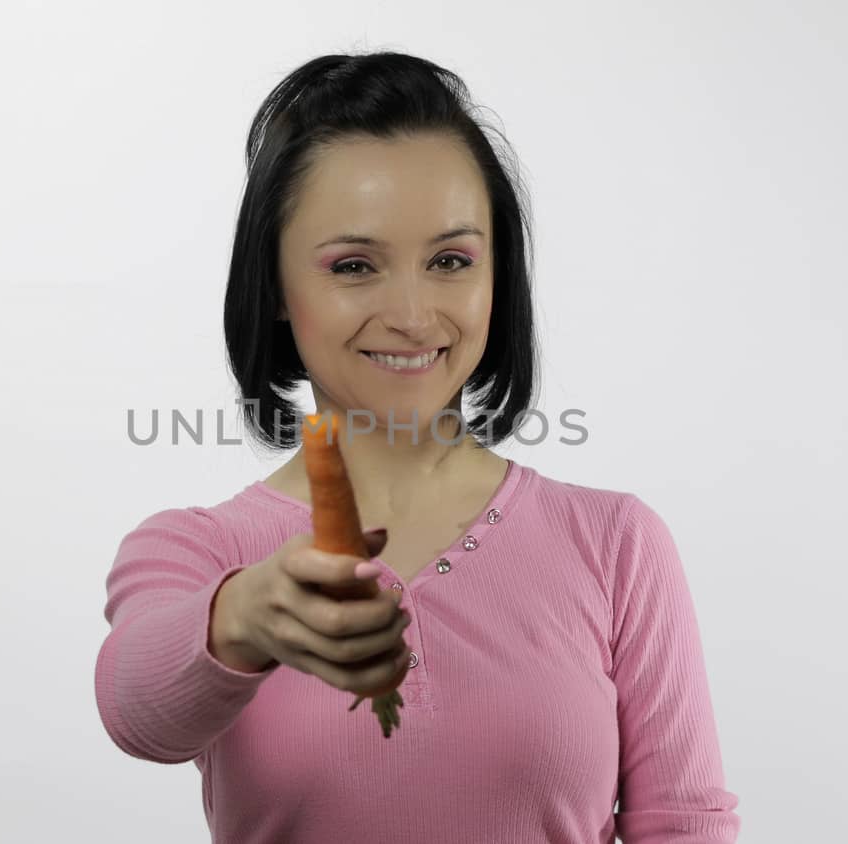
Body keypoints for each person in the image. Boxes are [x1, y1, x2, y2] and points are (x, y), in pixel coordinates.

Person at [94, 51, 742, 843]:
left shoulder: (616, 544)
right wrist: (243, 617)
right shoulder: (198, 549)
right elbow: (140, 716)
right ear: (275, 289)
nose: (410, 313)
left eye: (450, 262)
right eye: (355, 266)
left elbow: (682, 824)